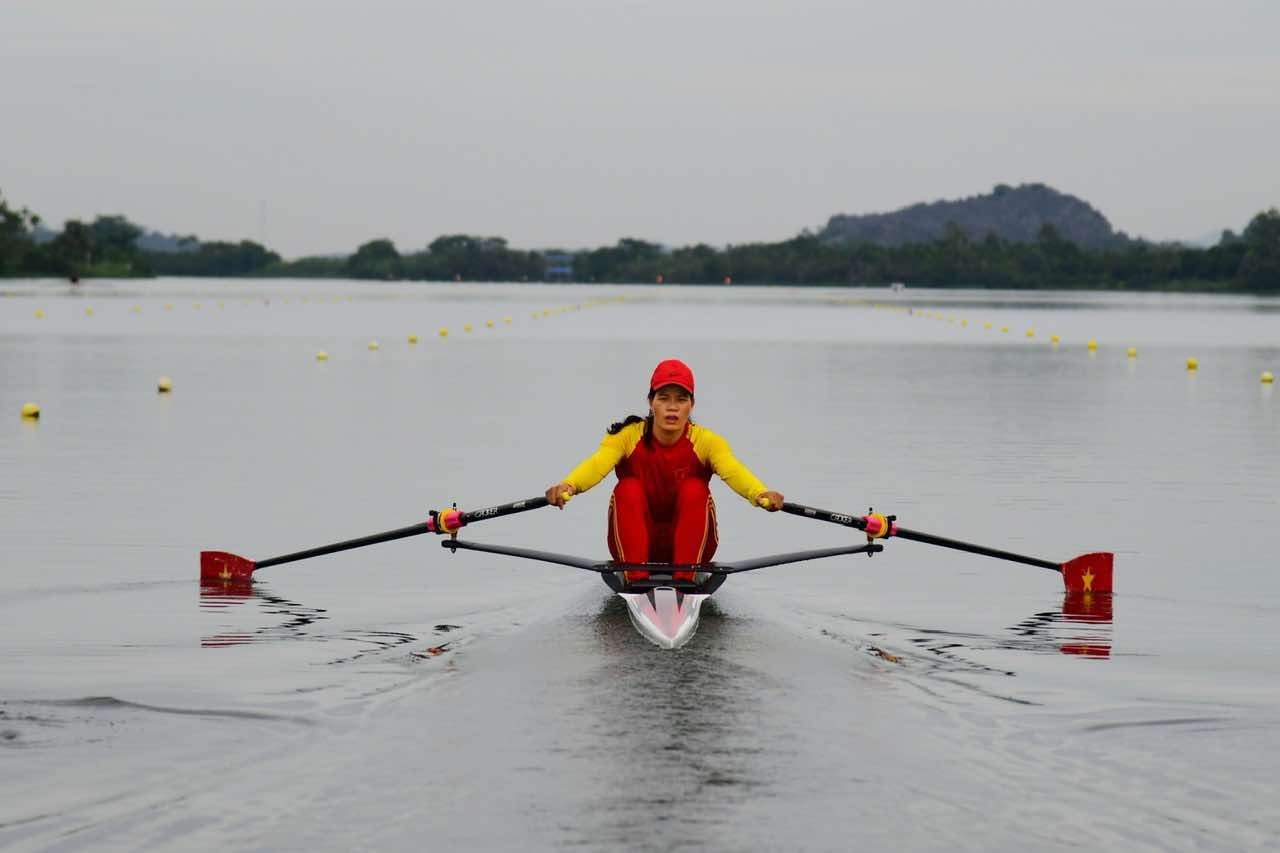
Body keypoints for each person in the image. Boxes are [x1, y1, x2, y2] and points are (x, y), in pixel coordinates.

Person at [545, 359, 783, 581]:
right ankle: (636, 578)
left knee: (694, 489)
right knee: (628, 488)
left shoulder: (707, 442)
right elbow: (596, 465)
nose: (672, 408)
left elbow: (734, 471)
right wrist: (569, 486)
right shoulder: (626, 437)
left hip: (695, 545)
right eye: (663, 398)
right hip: (633, 540)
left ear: (692, 405)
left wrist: (760, 494)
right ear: (651, 402)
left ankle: (685, 579)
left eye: (681, 399)